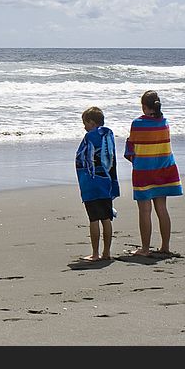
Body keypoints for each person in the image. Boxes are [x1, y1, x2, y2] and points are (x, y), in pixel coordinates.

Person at [124, 90, 183, 257]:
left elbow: (131, 146)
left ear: (144, 106)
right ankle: (165, 246)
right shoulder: (164, 122)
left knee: (145, 211)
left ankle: (145, 248)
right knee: (162, 208)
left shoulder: (137, 123)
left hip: (144, 171)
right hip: (164, 169)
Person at [75, 106, 120, 261]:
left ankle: (95, 253)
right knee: (106, 218)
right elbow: (111, 159)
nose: (84, 127)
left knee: (94, 219)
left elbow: (82, 158)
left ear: (93, 123)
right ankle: (107, 252)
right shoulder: (109, 136)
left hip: (92, 184)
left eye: (85, 123)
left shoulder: (90, 137)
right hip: (106, 182)